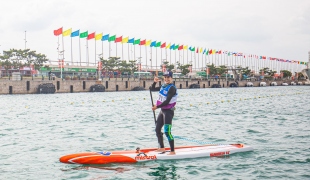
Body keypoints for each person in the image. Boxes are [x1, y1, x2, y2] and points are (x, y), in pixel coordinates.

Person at [150, 70, 178, 155]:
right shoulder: (163, 86)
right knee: (157, 129)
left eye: (168, 77)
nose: (166, 79)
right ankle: (162, 148)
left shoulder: (172, 88)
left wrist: (156, 107)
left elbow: (167, 101)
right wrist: (154, 82)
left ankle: (172, 151)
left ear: (171, 78)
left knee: (167, 131)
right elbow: (152, 89)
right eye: (165, 77)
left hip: (169, 112)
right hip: (162, 111)